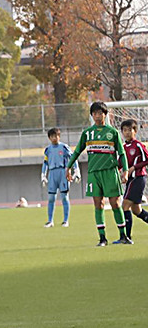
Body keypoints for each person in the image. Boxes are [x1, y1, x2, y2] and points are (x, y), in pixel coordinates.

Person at [66, 101, 130, 246]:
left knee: (115, 203)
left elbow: (122, 154)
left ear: (105, 114)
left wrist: (125, 171)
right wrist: (68, 167)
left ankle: (123, 236)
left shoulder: (112, 132)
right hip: (94, 173)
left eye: (100, 113)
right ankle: (102, 238)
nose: (97, 115)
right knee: (98, 204)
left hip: (110, 172)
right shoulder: (87, 133)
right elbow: (77, 151)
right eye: (94, 113)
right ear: (92, 115)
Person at [41, 127, 80, 228]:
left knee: (64, 197)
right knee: (51, 198)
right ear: (49, 138)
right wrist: (43, 175)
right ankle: (50, 221)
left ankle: (65, 220)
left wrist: (76, 170)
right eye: (52, 136)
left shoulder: (64, 147)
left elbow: (73, 158)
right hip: (52, 173)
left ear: (59, 136)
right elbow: (45, 163)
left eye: (56, 136)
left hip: (63, 172)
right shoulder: (48, 149)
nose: (55, 138)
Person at [119, 119, 148, 240]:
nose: (127, 133)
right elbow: (120, 163)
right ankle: (127, 237)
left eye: (129, 130)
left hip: (138, 178)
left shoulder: (138, 145)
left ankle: (127, 237)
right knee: (136, 210)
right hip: (131, 180)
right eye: (124, 130)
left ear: (135, 131)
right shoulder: (123, 147)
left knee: (125, 205)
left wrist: (134, 168)